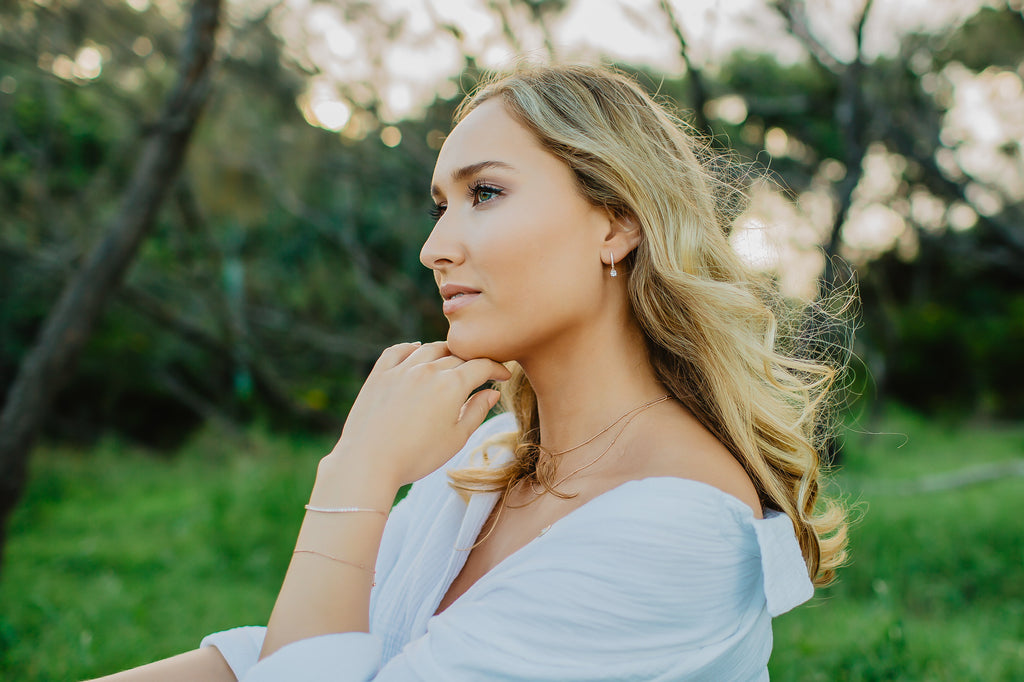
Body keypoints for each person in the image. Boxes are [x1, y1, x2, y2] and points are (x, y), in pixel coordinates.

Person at [94, 63, 849, 681]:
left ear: (617, 222)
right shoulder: (489, 455)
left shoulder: (678, 528)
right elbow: (338, 643)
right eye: (439, 205)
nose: (435, 249)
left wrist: (355, 475)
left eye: (484, 193)